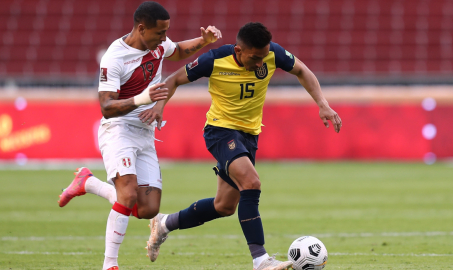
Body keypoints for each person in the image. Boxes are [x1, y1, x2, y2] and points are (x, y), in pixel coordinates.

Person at [139, 22, 342, 270]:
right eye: (255, 58)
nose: (261, 64)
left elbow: (303, 71)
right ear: (238, 50)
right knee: (252, 183)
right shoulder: (214, 59)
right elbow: (174, 80)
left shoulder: (273, 54)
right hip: (220, 131)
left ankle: (165, 223)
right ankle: (260, 259)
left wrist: (323, 104)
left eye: (263, 57)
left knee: (224, 206)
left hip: (249, 135)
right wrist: (159, 105)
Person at [57, 2, 222, 270]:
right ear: (141, 28)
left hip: (145, 132)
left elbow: (178, 50)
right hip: (118, 130)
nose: (164, 38)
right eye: (160, 32)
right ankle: (110, 264)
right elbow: (107, 107)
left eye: (166, 32)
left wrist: (203, 41)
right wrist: (144, 98)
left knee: (148, 209)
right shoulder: (114, 57)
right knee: (128, 195)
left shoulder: (157, 44)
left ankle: (87, 182)